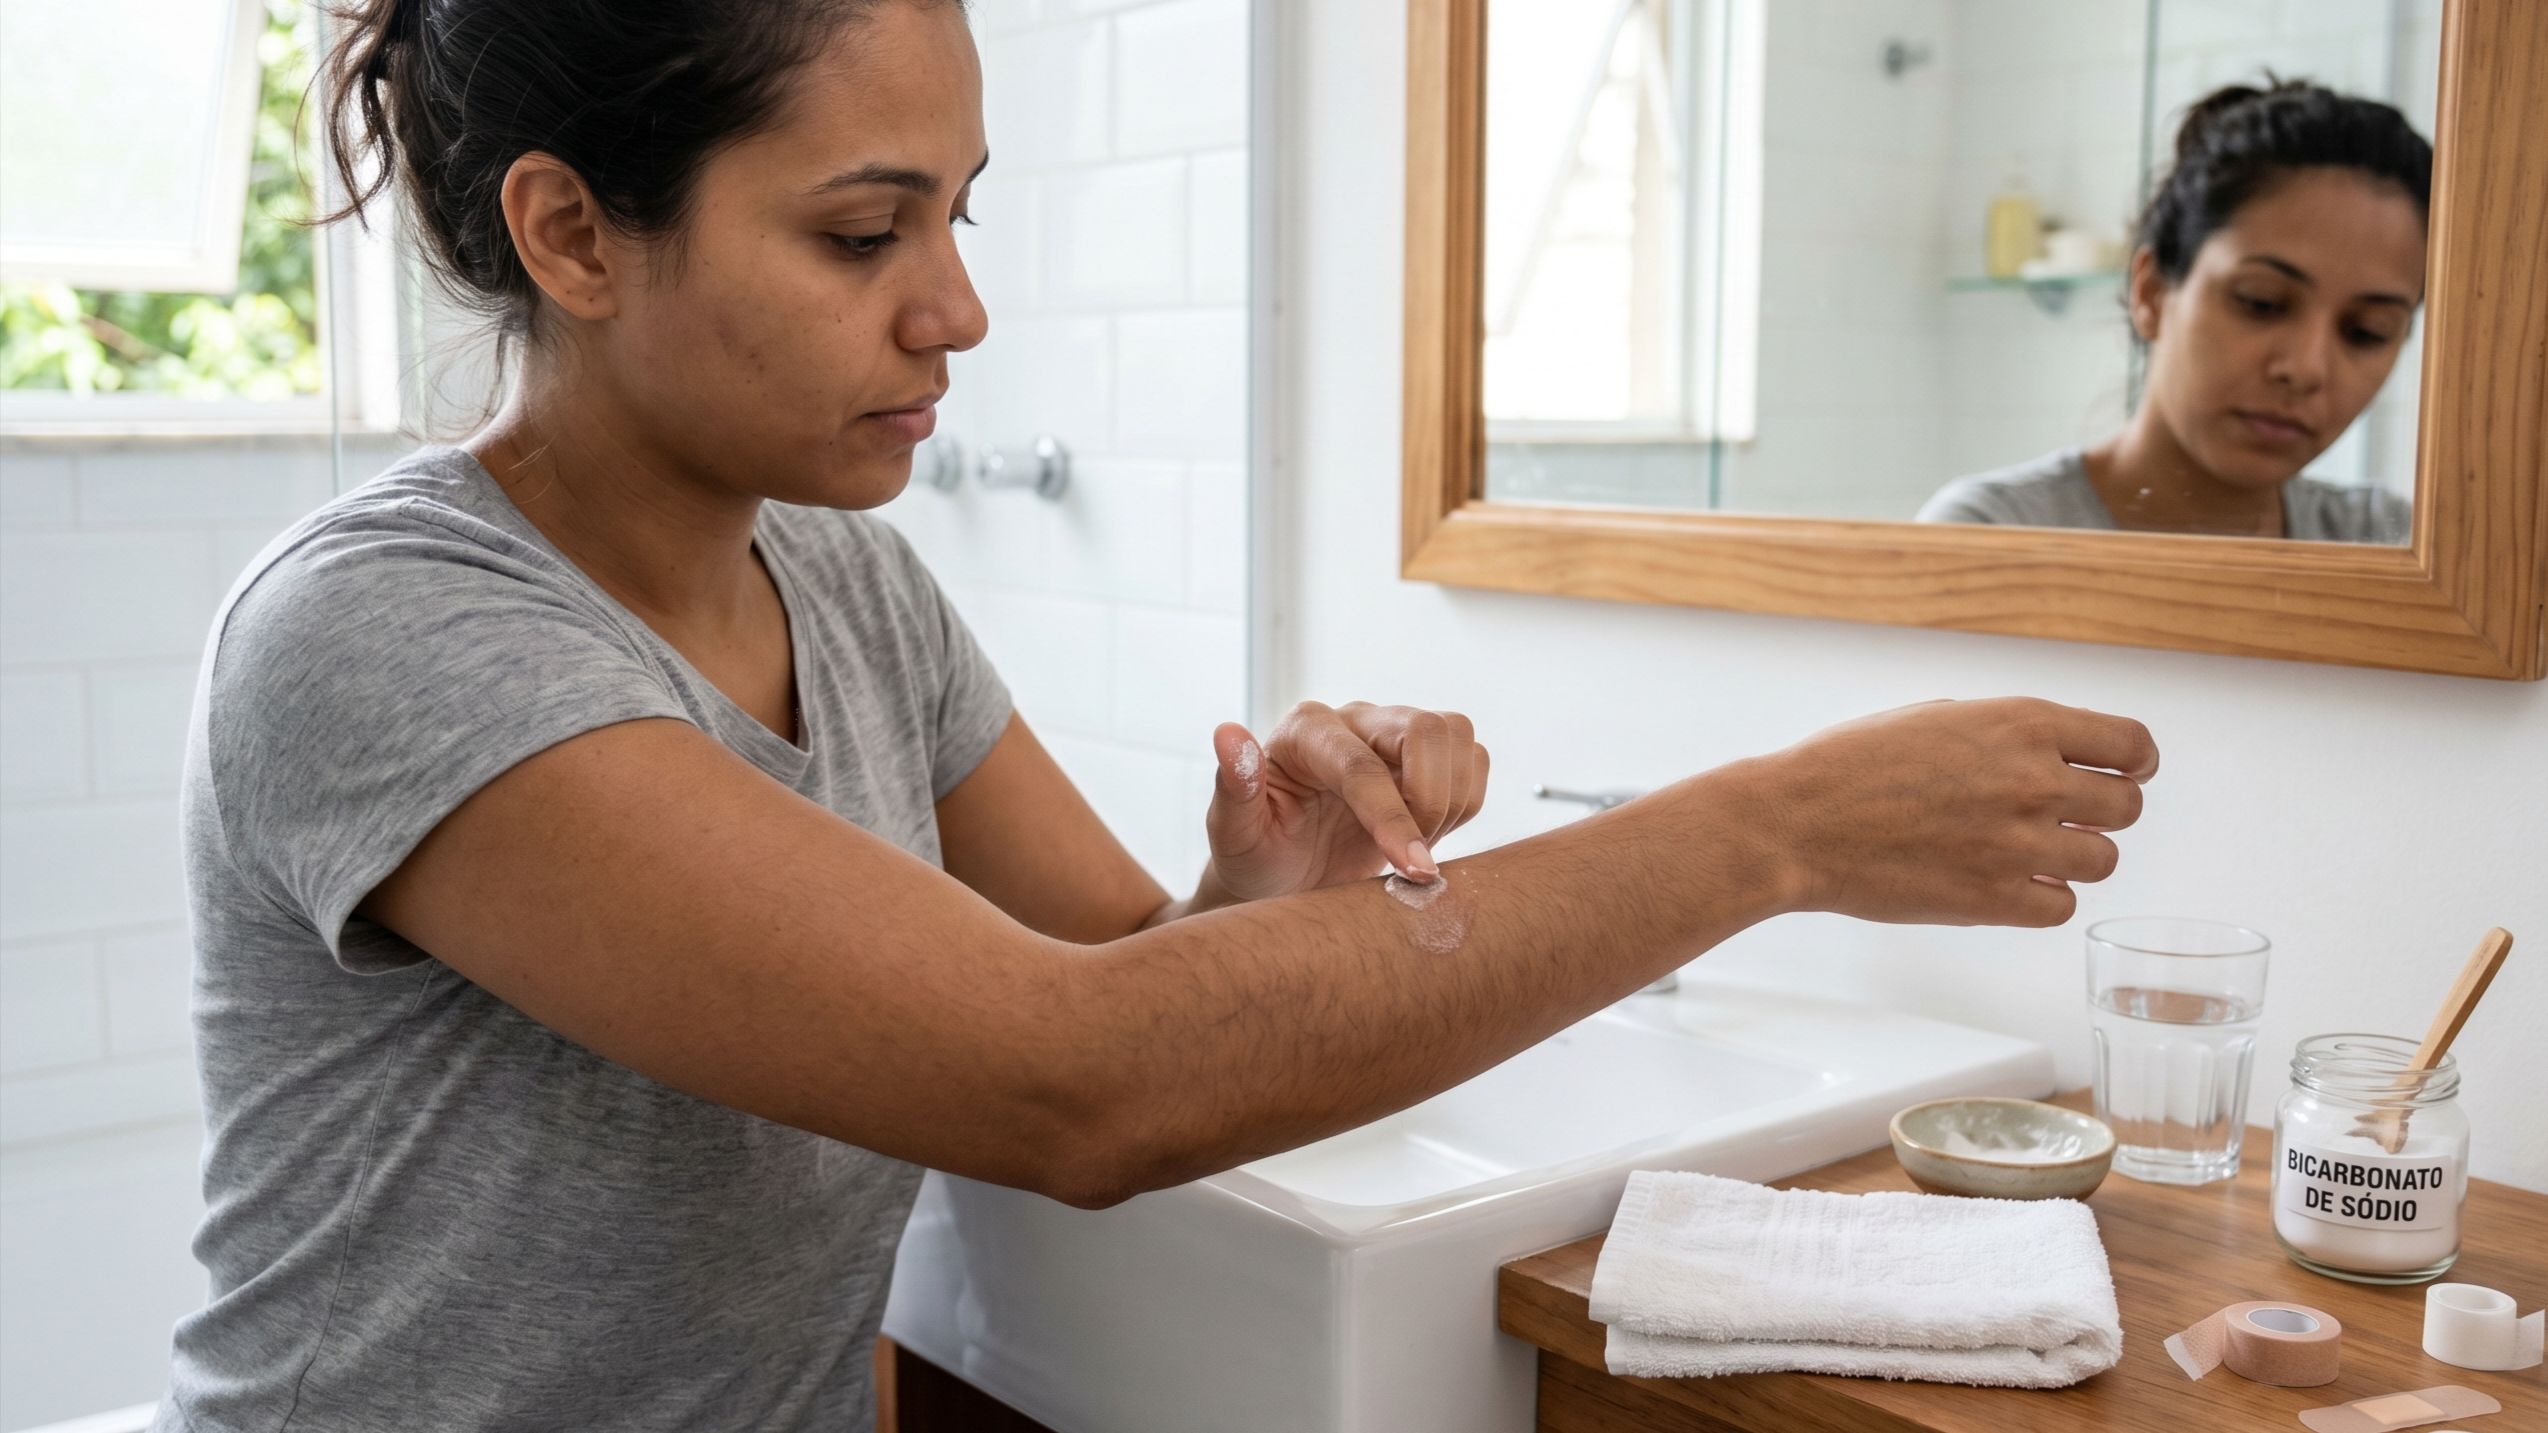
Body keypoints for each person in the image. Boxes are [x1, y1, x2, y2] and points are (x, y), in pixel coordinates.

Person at [152, 2, 2158, 1430]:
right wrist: (1767, 833)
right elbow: (1076, 1086)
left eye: (958, 210)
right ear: (573, 233)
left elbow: (1138, 984)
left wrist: (1258, 876)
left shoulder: (844, 579)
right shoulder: (391, 633)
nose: (953, 304)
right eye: (862, 231)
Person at [1919, 80, 2430, 542]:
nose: (2306, 369)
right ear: (2152, 292)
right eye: (2261, 302)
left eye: (2367, 332)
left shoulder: (2387, 543)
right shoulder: (1991, 533)